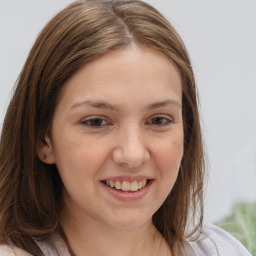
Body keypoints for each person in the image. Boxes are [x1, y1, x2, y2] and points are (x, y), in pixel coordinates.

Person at [0, 0, 252, 256]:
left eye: (158, 120)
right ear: (43, 139)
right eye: (96, 122)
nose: (133, 155)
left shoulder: (224, 250)